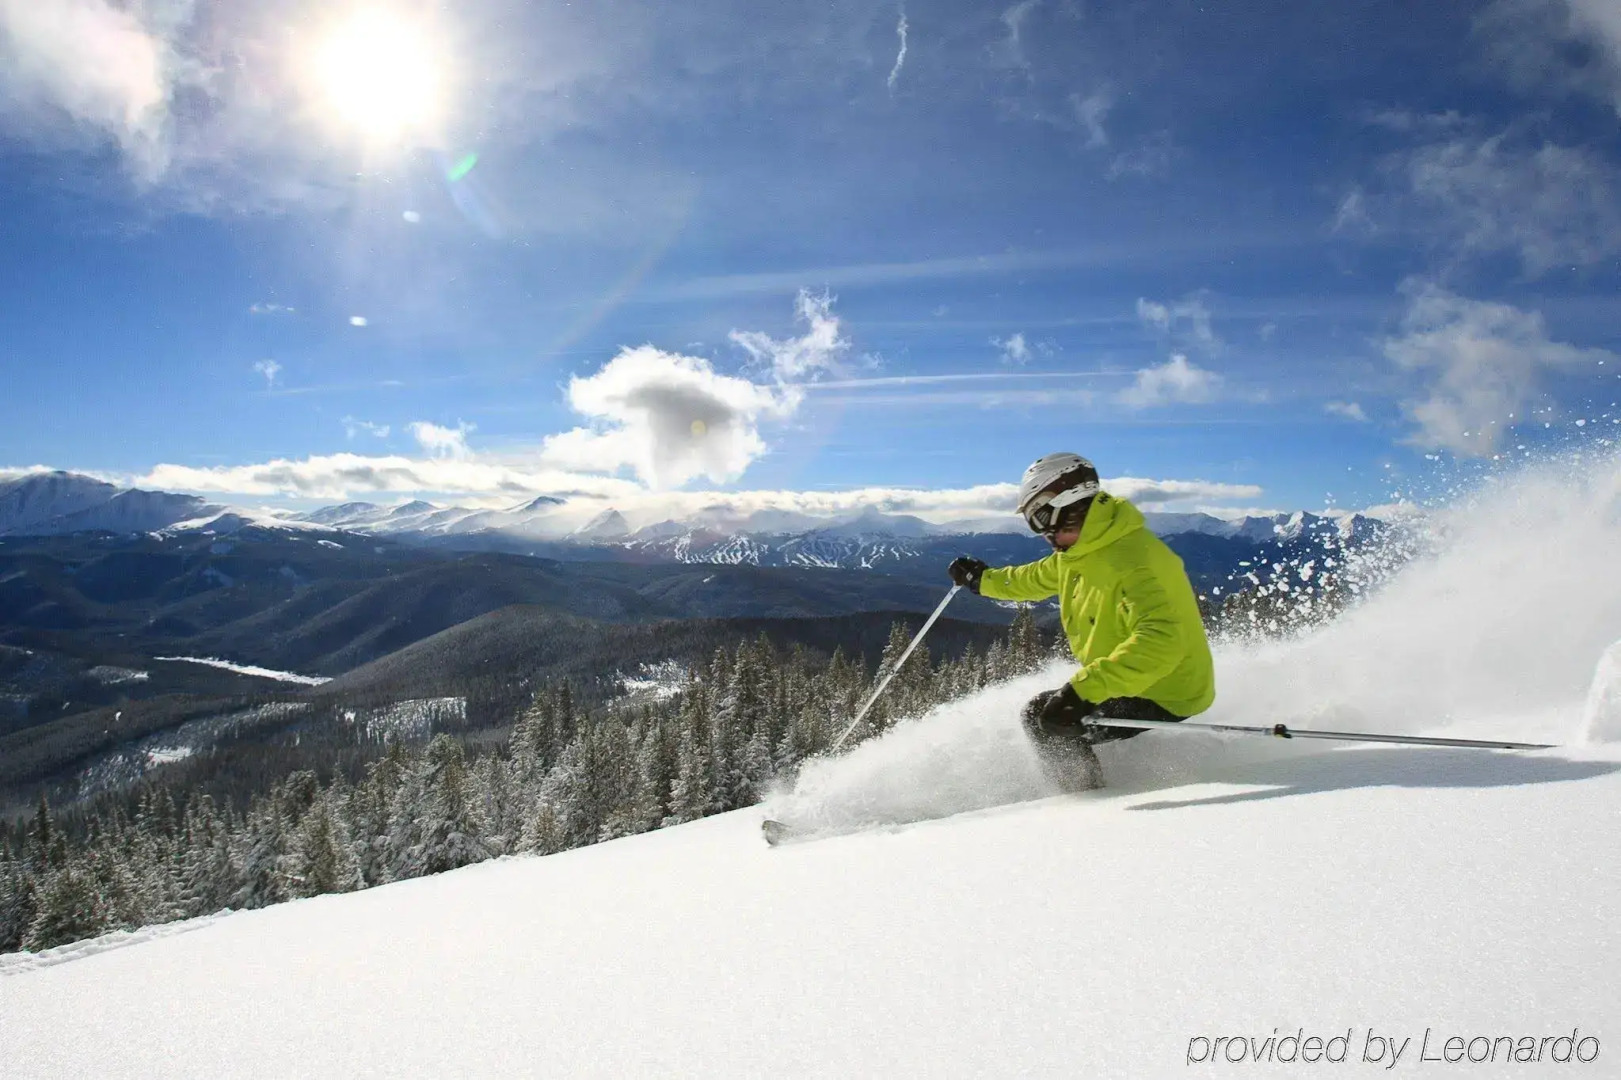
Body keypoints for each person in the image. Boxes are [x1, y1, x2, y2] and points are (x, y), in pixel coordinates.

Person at [948, 452, 1216, 789]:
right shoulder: (1082, 552)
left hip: (1166, 691)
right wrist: (981, 580)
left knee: (1045, 721)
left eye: (1041, 519)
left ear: (1069, 505)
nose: (1043, 534)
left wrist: (1084, 691)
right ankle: (1088, 790)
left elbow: (1163, 640)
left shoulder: (1138, 561)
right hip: (1134, 680)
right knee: (1048, 713)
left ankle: (1085, 807)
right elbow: (1032, 578)